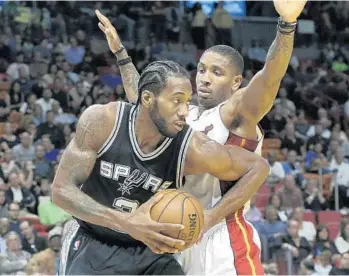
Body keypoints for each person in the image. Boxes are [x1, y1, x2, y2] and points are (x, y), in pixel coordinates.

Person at [95, 0, 307, 274]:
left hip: (222, 237)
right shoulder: (184, 114)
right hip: (175, 237)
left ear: (236, 82)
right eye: (203, 69)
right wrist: (121, 54)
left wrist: (286, 26)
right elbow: (142, 98)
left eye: (216, 72)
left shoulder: (234, 113)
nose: (204, 78)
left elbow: (270, 77)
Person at [53, 60, 269, 275]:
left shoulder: (191, 147)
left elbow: (257, 168)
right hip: (94, 243)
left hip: (151, 254)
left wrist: (211, 217)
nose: (185, 112)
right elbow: (61, 191)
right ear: (147, 98)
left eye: (187, 101)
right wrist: (125, 222)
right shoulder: (103, 122)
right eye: (176, 101)